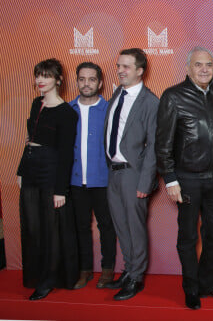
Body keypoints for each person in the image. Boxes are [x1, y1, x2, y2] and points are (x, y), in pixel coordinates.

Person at [155, 46, 213, 310]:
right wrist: (170, 179)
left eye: (209, 65)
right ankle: (191, 288)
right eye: (199, 64)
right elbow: (163, 143)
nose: (204, 69)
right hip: (187, 179)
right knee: (188, 237)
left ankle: (208, 283)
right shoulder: (173, 96)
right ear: (188, 67)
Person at [16, 58, 79, 300]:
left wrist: (60, 190)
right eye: (38, 75)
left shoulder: (66, 113)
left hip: (51, 170)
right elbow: (29, 139)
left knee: (51, 227)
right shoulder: (36, 103)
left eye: (46, 75)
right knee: (32, 225)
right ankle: (37, 274)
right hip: (31, 167)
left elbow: (65, 154)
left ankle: (49, 279)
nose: (40, 80)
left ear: (58, 79)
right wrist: (22, 170)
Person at [104, 48, 158, 301]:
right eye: (118, 66)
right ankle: (128, 270)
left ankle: (136, 277)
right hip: (113, 173)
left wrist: (145, 181)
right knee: (121, 226)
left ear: (140, 70)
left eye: (126, 67)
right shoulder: (118, 93)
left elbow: (154, 147)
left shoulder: (150, 102)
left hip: (134, 175)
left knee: (134, 228)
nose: (120, 71)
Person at [69, 62, 116, 289]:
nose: (86, 84)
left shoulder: (109, 109)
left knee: (106, 226)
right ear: (76, 81)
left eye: (91, 79)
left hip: (103, 181)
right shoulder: (68, 110)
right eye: (82, 79)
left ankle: (107, 271)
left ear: (100, 83)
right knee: (80, 227)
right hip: (75, 181)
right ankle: (84, 270)